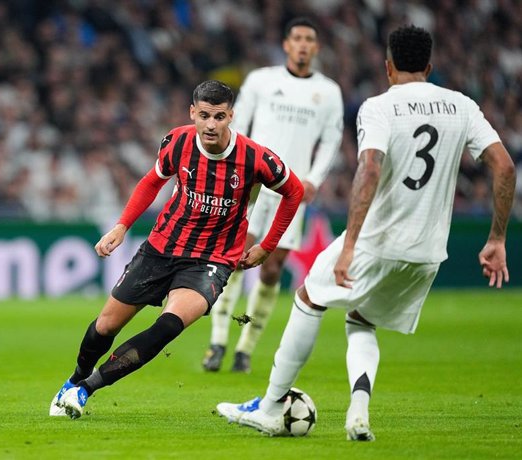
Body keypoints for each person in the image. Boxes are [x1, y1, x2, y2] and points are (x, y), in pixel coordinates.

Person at [216, 25, 515, 440]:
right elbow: (504, 166)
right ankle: (358, 412)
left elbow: (369, 168)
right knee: (360, 320)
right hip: (428, 253)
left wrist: (350, 245)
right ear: (429, 66)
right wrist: (497, 238)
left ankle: (269, 407)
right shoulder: (462, 106)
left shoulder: (379, 106)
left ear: (388, 66)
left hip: (377, 240)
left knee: (307, 298)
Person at [49, 80, 305, 419]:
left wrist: (267, 246)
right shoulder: (178, 141)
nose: (211, 125)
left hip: (211, 260)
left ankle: (86, 389)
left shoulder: (255, 157)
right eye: (204, 116)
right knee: (106, 326)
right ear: (192, 113)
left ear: (231, 116)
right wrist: (122, 225)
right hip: (161, 248)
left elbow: (294, 191)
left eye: (219, 116)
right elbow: (153, 181)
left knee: (168, 325)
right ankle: (75, 380)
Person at [202, 17, 343, 374]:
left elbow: (331, 140)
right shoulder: (262, 81)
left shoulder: (327, 92)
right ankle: (218, 341)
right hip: (251, 183)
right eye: (296, 38)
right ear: (286, 44)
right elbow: (238, 124)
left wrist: (313, 178)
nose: (302, 44)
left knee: (271, 269)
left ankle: (244, 349)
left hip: (289, 189)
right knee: (234, 258)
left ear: (316, 48)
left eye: (309, 39)